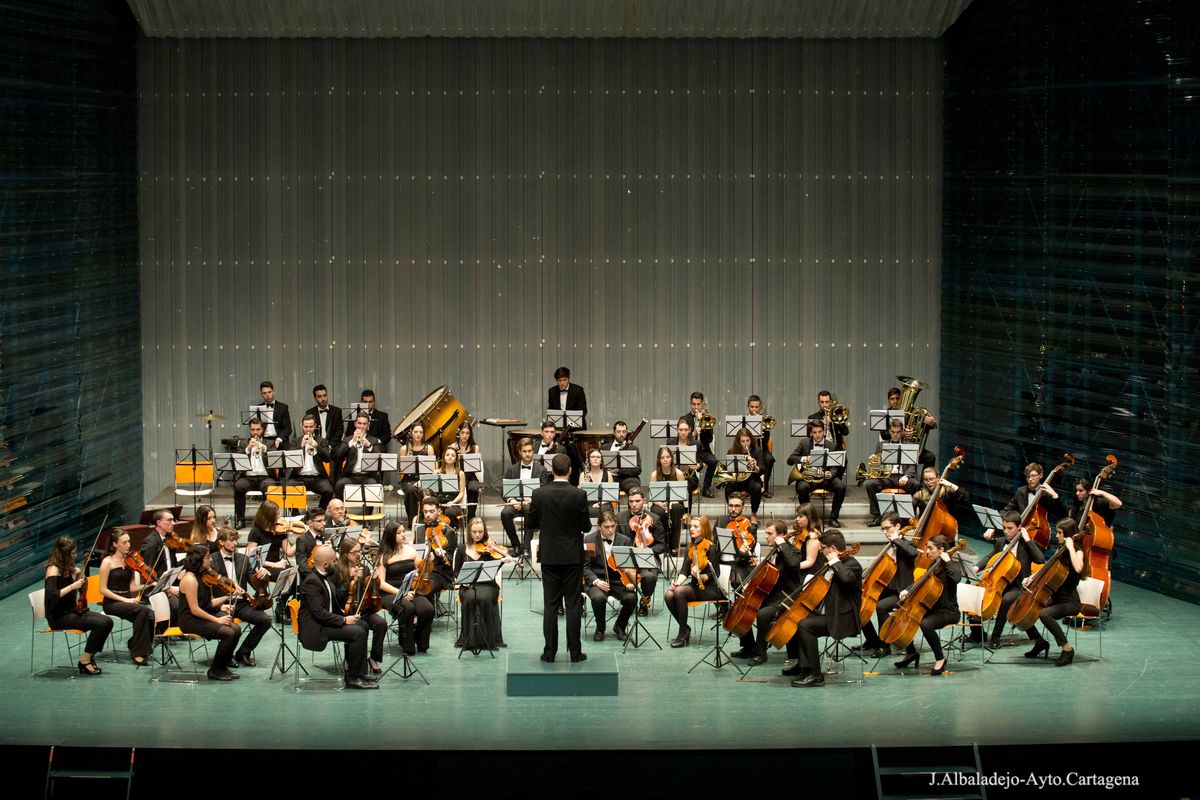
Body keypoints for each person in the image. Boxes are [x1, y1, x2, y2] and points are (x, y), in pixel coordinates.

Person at [526, 453, 591, 663]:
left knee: (550, 605)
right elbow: (586, 526)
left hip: (550, 556)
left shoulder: (539, 494)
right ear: (571, 470)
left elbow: (531, 523)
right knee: (573, 605)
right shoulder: (579, 494)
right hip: (573, 556)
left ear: (552, 471)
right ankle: (575, 653)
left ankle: (549, 653)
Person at [298, 544, 377, 689]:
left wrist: (351, 582)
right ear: (326, 564)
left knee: (363, 626)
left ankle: (359, 672)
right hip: (316, 629)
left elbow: (337, 597)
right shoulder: (311, 582)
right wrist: (344, 620)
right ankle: (352, 679)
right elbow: (319, 613)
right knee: (357, 632)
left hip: (325, 623)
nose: (337, 563)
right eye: (334, 561)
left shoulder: (324, 577)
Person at [730, 520, 806, 667]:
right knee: (745, 606)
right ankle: (749, 647)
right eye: (766, 533)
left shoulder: (792, 550)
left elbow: (793, 564)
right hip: (772, 595)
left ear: (781, 535)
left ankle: (761, 653)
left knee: (763, 614)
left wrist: (783, 544)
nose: (766, 537)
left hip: (787, 597)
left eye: (770, 534)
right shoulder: (774, 551)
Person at [791, 530, 863, 687]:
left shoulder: (852, 565)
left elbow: (846, 579)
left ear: (832, 549)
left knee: (805, 626)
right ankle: (804, 667)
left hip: (843, 618)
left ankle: (815, 675)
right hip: (828, 612)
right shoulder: (832, 564)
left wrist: (835, 562)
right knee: (798, 618)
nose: (819, 550)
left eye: (822, 547)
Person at [1017, 518, 1086, 666]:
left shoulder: (1078, 551)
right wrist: (1031, 577)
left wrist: (1071, 547)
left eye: (1060, 533)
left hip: (1069, 601)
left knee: (1044, 614)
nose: (1056, 535)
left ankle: (1067, 649)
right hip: (1055, 595)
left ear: (1068, 535)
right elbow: (1048, 567)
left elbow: (1079, 568)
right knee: (1026, 608)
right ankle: (1039, 641)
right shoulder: (1060, 549)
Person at [893, 534, 962, 676]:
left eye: (930, 548)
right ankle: (910, 652)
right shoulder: (933, 565)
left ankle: (940, 658)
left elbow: (956, 578)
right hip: (933, 609)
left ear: (941, 549)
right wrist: (908, 589)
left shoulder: (952, 565)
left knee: (925, 624)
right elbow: (922, 580)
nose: (927, 552)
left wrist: (948, 561)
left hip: (949, 611)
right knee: (911, 615)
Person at [855, 512, 920, 659]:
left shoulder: (907, 543)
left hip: (902, 591)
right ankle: (872, 640)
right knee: (860, 602)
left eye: (887, 528)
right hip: (888, 587)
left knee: (881, 606)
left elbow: (913, 553)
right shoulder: (888, 546)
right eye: (882, 529)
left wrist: (897, 540)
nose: (885, 532)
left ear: (897, 526)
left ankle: (885, 645)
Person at [43, 536, 112, 675]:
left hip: (72, 611)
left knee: (107, 621)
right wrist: (72, 586)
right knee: (102, 624)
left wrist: (80, 575)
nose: (75, 556)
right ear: (63, 553)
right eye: (72, 553)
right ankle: (85, 661)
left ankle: (89, 657)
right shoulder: (53, 569)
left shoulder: (67, 568)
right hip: (58, 617)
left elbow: (81, 590)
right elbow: (52, 595)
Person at [978, 511, 1045, 648]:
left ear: (1019, 527)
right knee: (976, 592)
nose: (1006, 531)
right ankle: (977, 633)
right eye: (1004, 528)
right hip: (1001, 581)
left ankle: (995, 637)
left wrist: (1027, 539)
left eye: (1010, 528)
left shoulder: (1026, 544)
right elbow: (990, 556)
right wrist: (977, 567)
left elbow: (1040, 559)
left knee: (1007, 600)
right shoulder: (1001, 541)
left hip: (1019, 585)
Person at [177, 545, 244, 681]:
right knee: (228, 632)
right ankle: (215, 670)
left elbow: (207, 603)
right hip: (190, 619)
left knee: (236, 628)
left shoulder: (203, 576)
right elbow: (195, 609)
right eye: (207, 557)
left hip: (202, 613)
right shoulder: (190, 580)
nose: (211, 560)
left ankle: (222, 666)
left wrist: (226, 599)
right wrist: (217, 620)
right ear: (198, 559)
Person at [210, 526, 273, 668]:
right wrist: (220, 604)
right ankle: (227, 656)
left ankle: (243, 653)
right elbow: (208, 589)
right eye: (231, 540)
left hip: (241, 602)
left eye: (236, 540)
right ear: (221, 542)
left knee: (265, 620)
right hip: (222, 603)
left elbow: (254, 582)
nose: (235, 543)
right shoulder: (212, 560)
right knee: (231, 627)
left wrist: (261, 575)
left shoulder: (242, 559)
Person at [375, 521, 434, 655]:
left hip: (411, 589)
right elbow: (381, 583)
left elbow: (422, 569)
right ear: (391, 536)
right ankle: (407, 645)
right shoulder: (383, 555)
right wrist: (400, 593)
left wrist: (428, 560)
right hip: (390, 592)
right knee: (408, 608)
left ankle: (421, 642)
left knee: (428, 610)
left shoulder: (410, 550)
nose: (403, 535)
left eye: (403, 531)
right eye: (399, 533)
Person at [664, 515, 723, 646]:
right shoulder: (691, 547)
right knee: (669, 594)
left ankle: (682, 633)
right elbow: (685, 570)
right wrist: (678, 582)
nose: (691, 528)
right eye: (691, 526)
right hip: (695, 586)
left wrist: (701, 577)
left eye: (696, 526)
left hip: (710, 588)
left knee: (679, 593)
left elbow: (715, 573)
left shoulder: (710, 547)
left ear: (704, 529)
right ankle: (685, 628)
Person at [454, 518, 512, 651]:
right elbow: (456, 571)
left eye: (480, 531)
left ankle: (488, 640)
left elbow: (494, 569)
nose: (477, 535)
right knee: (468, 598)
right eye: (474, 532)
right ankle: (470, 640)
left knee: (485, 598)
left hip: (488, 585)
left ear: (484, 531)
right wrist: (463, 580)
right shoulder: (462, 549)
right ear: (469, 532)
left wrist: (503, 560)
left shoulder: (489, 548)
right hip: (468, 586)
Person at [98, 531, 154, 666]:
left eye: (129, 541)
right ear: (115, 544)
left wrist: (149, 585)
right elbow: (102, 589)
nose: (128, 545)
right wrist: (126, 600)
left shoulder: (130, 561)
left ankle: (135, 643)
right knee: (143, 611)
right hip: (112, 603)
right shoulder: (107, 562)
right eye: (124, 543)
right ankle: (138, 652)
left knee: (152, 615)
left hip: (128, 601)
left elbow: (132, 587)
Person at [583, 510, 636, 642]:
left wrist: (630, 581)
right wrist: (595, 581)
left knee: (631, 598)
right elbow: (585, 567)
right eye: (606, 527)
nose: (610, 530)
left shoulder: (625, 540)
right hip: (598, 579)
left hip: (618, 580)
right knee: (598, 598)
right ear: (599, 526)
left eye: (613, 526)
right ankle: (600, 628)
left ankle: (620, 626)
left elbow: (630, 566)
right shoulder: (589, 539)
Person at [335, 538, 387, 674]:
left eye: (359, 550)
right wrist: (350, 580)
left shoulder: (363, 568)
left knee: (381, 623)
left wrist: (375, 580)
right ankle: (349, 658)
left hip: (363, 609)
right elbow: (337, 595)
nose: (359, 554)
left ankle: (374, 658)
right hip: (346, 612)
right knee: (357, 628)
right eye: (355, 552)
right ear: (346, 554)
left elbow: (370, 590)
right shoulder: (337, 570)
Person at [787, 419, 847, 527]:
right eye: (814, 432)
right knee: (801, 488)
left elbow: (835, 466)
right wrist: (804, 458)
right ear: (811, 433)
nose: (817, 435)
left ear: (824, 432)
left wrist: (831, 474)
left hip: (825, 478)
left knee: (841, 486)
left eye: (820, 432)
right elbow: (790, 459)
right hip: (809, 478)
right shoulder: (804, 443)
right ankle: (809, 518)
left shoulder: (832, 445)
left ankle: (833, 518)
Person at [617, 486, 666, 615]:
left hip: (647, 557)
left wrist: (646, 550)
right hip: (627, 558)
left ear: (644, 500)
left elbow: (661, 545)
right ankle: (629, 601)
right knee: (618, 572)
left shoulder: (654, 519)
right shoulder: (620, 518)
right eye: (631, 501)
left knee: (649, 576)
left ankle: (644, 601)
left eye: (637, 501)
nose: (634, 504)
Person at [863, 418, 918, 526]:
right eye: (893, 432)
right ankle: (878, 515)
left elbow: (913, 465)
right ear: (889, 431)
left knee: (916, 484)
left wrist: (906, 476)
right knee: (870, 484)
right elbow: (877, 464)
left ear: (902, 432)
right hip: (887, 477)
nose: (895, 435)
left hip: (903, 477)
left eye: (898, 432)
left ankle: (909, 517)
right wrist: (874, 459)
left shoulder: (909, 445)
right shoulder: (881, 445)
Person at [500, 437, 547, 556]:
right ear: (520, 452)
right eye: (525, 451)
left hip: (531, 504)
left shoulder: (541, 470)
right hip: (515, 502)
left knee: (528, 510)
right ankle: (516, 544)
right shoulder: (512, 469)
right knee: (505, 513)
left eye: (530, 451)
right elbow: (504, 491)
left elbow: (544, 490)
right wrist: (512, 500)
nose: (528, 454)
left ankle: (526, 546)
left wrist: (531, 500)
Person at [232, 417, 276, 528]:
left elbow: (275, 457)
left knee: (270, 486)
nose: (255, 432)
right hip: (248, 478)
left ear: (262, 430)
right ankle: (240, 519)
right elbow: (237, 458)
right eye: (252, 430)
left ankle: (267, 519)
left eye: (258, 429)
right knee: (238, 486)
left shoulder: (269, 443)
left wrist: (264, 449)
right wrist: (247, 449)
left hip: (265, 477)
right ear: (249, 430)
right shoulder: (243, 443)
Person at [333, 412, 382, 500]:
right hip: (350, 476)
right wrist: (352, 441)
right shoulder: (347, 439)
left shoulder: (373, 440)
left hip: (368, 476)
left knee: (373, 486)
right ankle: (342, 512)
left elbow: (378, 459)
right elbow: (338, 455)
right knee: (339, 484)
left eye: (364, 424)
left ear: (368, 425)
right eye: (359, 423)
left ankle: (368, 513)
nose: (361, 426)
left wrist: (369, 445)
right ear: (355, 424)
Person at [649, 445, 688, 554]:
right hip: (659, 503)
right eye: (662, 457)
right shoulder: (654, 475)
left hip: (675, 502)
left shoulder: (678, 474)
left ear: (671, 458)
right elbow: (652, 498)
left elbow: (682, 495)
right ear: (659, 460)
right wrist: (660, 504)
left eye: (667, 457)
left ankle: (674, 546)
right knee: (657, 512)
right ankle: (662, 544)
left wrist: (673, 502)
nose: (665, 459)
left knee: (676, 509)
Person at [290, 414, 334, 509]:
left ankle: (320, 512)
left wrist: (317, 446)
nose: (308, 430)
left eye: (311, 427)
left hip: (317, 478)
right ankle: (295, 515)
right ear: (301, 425)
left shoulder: (322, 441)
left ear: (315, 426)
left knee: (329, 490)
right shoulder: (296, 441)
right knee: (289, 488)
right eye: (306, 427)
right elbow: (291, 460)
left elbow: (327, 458)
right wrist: (301, 446)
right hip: (299, 477)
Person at [1002, 462, 1067, 527]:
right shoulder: (1021, 491)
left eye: (1033, 476)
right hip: (1021, 527)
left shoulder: (1046, 494)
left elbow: (1062, 512)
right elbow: (1008, 509)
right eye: (1028, 476)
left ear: (1040, 475)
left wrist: (1055, 495)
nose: (1030, 479)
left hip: (1038, 530)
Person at [417, 495, 458, 596]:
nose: (427, 515)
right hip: (420, 570)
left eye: (431, 511)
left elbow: (450, 559)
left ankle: (429, 610)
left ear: (439, 511)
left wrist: (440, 555)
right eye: (425, 511)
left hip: (440, 573)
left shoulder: (448, 532)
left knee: (425, 586)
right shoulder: (420, 530)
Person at [716, 492, 757, 592]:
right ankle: (723, 605)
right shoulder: (720, 522)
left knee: (737, 581)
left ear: (743, 507)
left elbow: (751, 546)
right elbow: (714, 544)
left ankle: (738, 605)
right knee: (707, 581)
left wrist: (743, 551)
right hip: (721, 561)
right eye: (731, 506)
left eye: (737, 506)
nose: (733, 509)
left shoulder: (749, 525)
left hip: (739, 563)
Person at [721, 427, 765, 518]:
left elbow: (762, 469)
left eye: (747, 440)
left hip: (751, 480)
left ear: (751, 439)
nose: (746, 444)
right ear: (738, 441)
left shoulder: (756, 450)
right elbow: (728, 469)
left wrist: (755, 467)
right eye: (743, 441)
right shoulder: (732, 451)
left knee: (757, 488)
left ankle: (754, 514)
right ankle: (732, 513)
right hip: (736, 480)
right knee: (728, 489)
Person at [680, 391, 718, 497]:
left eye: (698, 404)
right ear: (690, 404)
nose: (696, 407)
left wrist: (703, 426)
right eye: (693, 404)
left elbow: (709, 439)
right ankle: (688, 486)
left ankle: (706, 488)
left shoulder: (706, 418)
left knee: (713, 461)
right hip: (689, 450)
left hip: (703, 450)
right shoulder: (685, 419)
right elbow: (681, 438)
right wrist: (693, 433)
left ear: (702, 404)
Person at [398, 421, 436, 523]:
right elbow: (402, 471)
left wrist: (422, 481)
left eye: (421, 432)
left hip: (424, 479)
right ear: (411, 433)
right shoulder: (404, 449)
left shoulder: (429, 448)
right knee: (410, 490)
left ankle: (428, 519)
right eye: (416, 432)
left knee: (427, 490)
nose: (418, 434)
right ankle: (413, 521)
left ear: (423, 434)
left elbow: (432, 470)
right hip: (408, 480)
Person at [601, 420, 643, 496]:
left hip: (627, 478)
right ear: (614, 432)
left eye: (623, 432)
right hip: (609, 477)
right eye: (618, 431)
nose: (621, 434)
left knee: (634, 490)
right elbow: (599, 466)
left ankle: (633, 507)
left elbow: (638, 470)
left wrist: (619, 470)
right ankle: (605, 507)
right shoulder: (604, 448)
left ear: (626, 433)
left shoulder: (633, 449)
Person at [746, 395, 775, 497]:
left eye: (756, 407)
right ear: (748, 406)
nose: (754, 409)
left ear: (760, 407)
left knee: (769, 459)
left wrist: (763, 430)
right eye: (752, 407)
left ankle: (765, 488)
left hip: (762, 449)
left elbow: (766, 440)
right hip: (748, 450)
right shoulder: (744, 420)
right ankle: (747, 488)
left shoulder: (764, 420)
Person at [293, 507, 328, 583]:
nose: (324, 523)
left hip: (327, 579)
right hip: (310, 582)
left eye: (324, 520)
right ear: (310, 523)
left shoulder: (327, 537)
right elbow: (303, 568)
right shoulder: (302, 540)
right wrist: (320, 576)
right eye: (319, 521)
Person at [454, 420, 483, 510]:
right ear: (458, 433)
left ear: (470, 435)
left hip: (471, 476)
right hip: (457, 477)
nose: (464, 435)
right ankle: (457, 515)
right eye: (462, 432)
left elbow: (476, 467)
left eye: (467, 433)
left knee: (474, 488)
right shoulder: (452, 447)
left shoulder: (475, 448)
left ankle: (471, 515)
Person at [579, 448, 614, 518]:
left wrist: (601, 503)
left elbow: (612, 494)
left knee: (605, 510)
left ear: (601, 461)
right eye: (592, 457)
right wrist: (584, 485)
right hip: (589, 503)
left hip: (604, 502)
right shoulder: (583, 475)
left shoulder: (608, 474)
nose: (595, 459)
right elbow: (580, 496)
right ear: (589, 460)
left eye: (598, 457)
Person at [257, 380, 293, 448]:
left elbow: (288, 429)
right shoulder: (258, 408)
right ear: (261, 394)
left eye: (269, 392)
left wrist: (279, 439)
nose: (267, 395)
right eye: (264, 393)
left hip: (279, 441)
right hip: (264, 441)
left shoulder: (283, 407)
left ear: (273, 392)